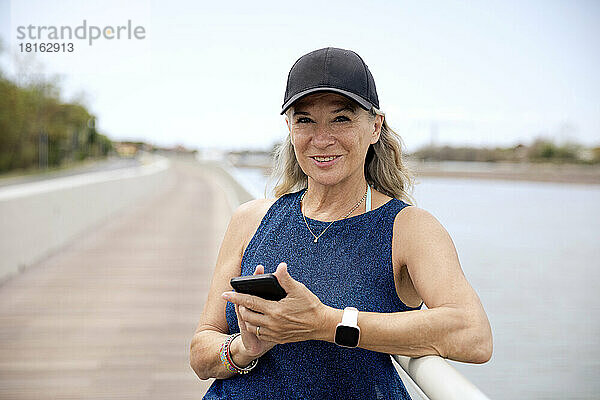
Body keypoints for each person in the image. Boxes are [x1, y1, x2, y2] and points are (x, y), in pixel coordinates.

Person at [190, 47, 492, 399]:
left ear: (375, 127)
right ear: (289, 128)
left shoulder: (408, 228)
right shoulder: (251, 219)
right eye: (305, 120)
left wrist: (327, 323)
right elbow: (200, 352)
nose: (321, 139)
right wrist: (245, 348)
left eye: (341, 119)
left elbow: (473, 335)